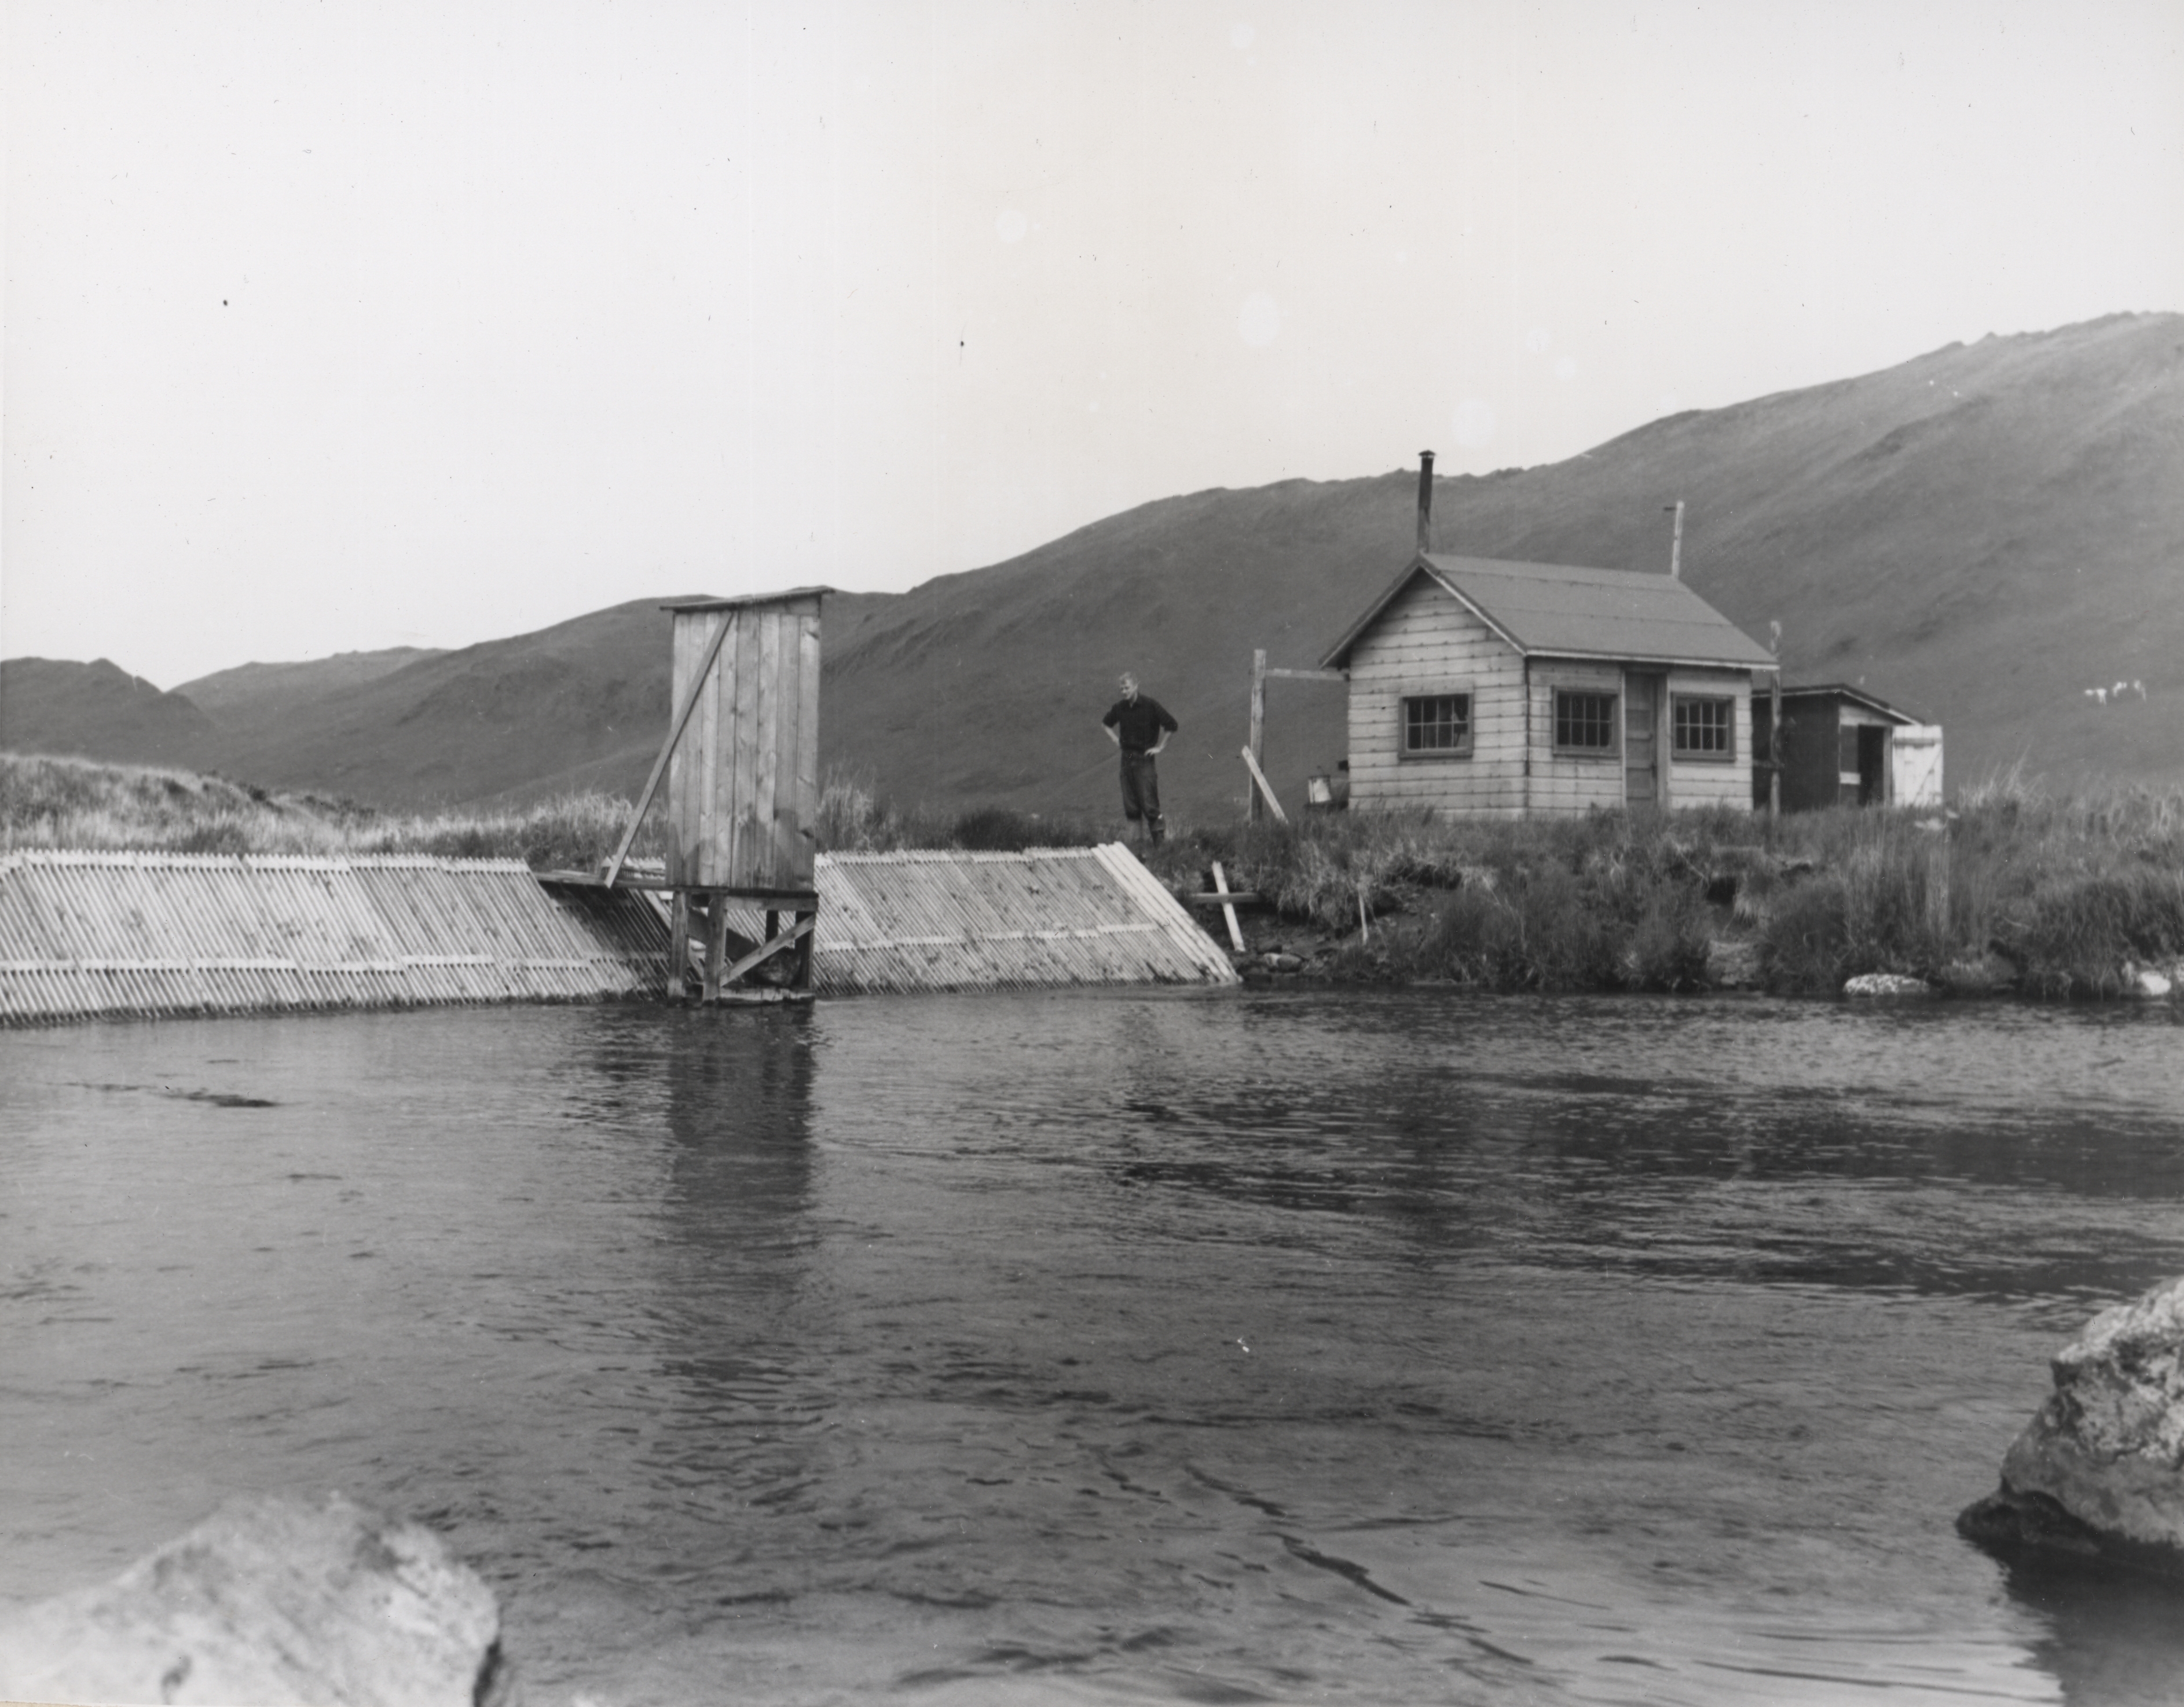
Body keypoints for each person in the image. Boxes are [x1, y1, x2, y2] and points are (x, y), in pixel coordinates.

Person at [1101, 672, 1178, 845]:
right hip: (1126, 756)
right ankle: (1137, 850)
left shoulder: (1150, 706)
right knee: (1131, 806)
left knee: (1149, 804)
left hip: (1145, 758)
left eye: (1127, 687)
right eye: (1121, 689)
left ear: (1136, 686)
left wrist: (1160, 747)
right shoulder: (1120, 708)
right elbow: (1106, 723)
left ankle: (1161, 849)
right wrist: (1115, 739)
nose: (1124, 691)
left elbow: (1171, 725)